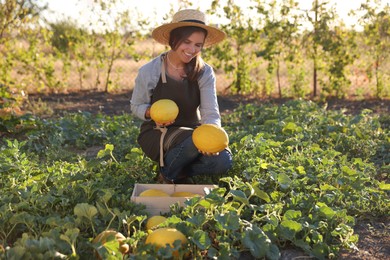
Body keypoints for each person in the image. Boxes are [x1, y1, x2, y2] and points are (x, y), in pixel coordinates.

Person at [130, 9, 232, 184]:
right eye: (187, 42)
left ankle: (173, 172)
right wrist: (150, 113)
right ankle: (170, 172)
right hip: (158, 133)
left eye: (198, 45)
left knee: (222, 161)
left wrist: (211, 136)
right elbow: (136, 105)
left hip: (193, 132)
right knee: (192, 140)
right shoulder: (150, 71)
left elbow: (210, 112)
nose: (192, 50)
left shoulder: (204, 72)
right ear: (173, 39)